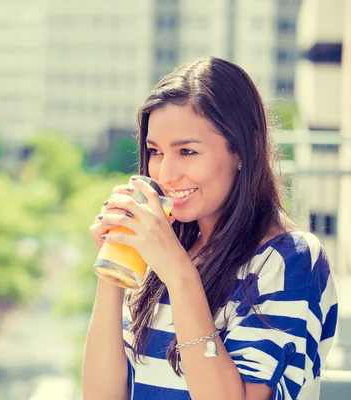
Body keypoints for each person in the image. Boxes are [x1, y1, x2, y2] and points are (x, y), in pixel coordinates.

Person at [83, 57, 338, 399]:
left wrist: (180, 274)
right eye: (155, 151)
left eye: (187, 151)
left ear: (242, 150)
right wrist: (112, 274)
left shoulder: (288, 258)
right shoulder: (163, 247)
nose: (166, 174)